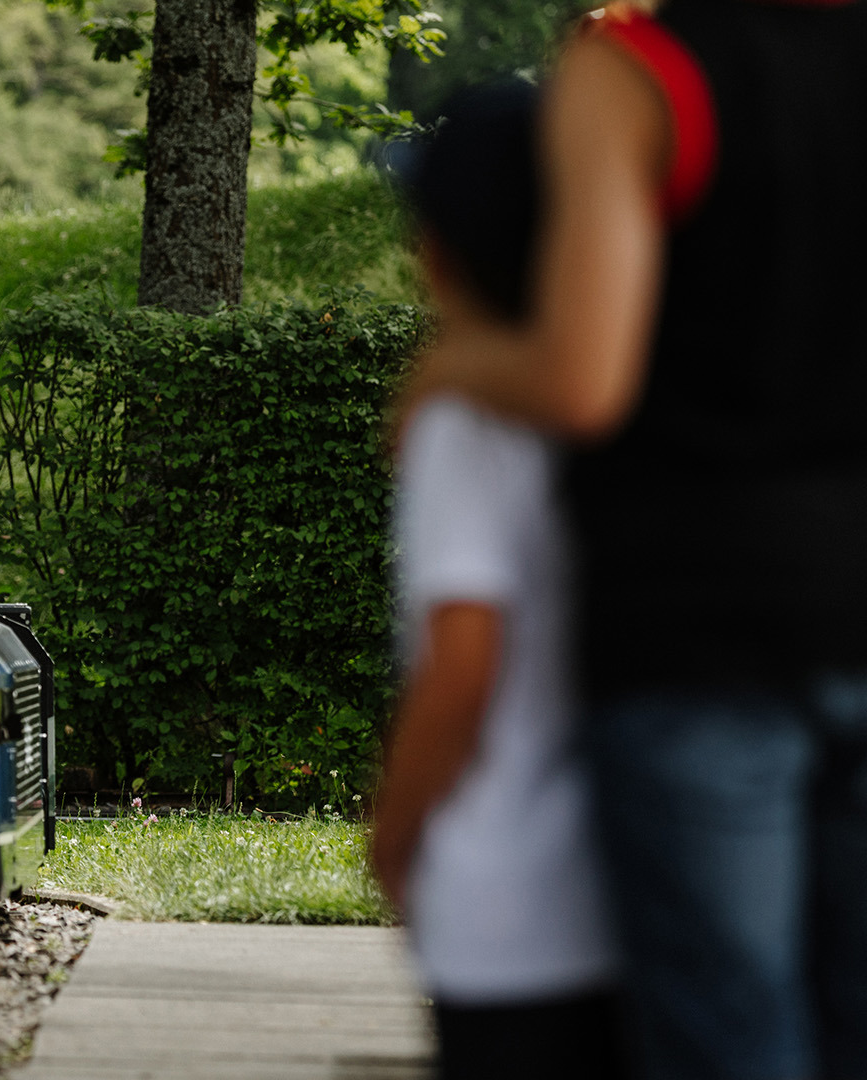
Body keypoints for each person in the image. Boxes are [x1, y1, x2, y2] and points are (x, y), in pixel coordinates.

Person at [414, 4, 867, 1076]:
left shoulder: (637, 72)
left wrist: (447, 370)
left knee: (729, 1027)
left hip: (697, 626)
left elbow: (581, 379)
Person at [370, 81, 622, 1080]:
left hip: (506, 904)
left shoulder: (466, 416)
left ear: (435, 255)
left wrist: (395, 835)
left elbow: (464, 661)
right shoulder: (628, 382)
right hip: (638, 884)